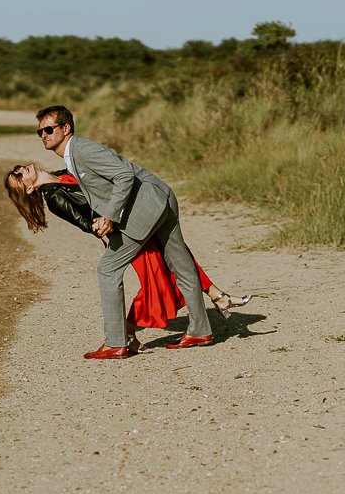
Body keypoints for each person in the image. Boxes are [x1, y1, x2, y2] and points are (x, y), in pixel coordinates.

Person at [4, 163, 250, 358]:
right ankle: (129, 332)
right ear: (28, 190)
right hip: (123, 234)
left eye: (18, 169)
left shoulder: (64, 173)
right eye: (19, 176)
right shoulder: (55, 198)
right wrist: (103, 223)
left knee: (178, 255)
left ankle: (218, 295)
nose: (21, 169)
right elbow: (87, 224)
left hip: (134, 220)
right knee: (155, 281)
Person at [33, 104, 220, 356]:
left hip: (146, 207)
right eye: (40, 132)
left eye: (48, 129)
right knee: (181, 264)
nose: (44, 135)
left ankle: (116, 342)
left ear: (66, 128)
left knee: (107, 269)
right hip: (159, 197)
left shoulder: (83, 150)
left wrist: (109, 216)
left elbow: (124, 175)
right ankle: (200, 330)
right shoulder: (74, 154)